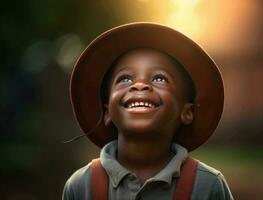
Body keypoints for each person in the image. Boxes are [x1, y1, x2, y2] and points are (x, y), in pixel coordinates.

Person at [62, 22, 234, 200]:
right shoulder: (81, 186)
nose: (140, 85)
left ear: (187, 112)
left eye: (160, 78)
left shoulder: (208, 186)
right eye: (126, 78)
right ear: (107, 113)